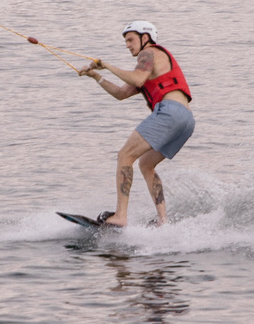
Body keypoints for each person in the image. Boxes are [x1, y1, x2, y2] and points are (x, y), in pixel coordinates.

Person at [82, 21, 193, 228]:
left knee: (125, 155)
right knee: (146, 164)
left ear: (145, 38)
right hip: (186, 120)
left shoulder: (148, 53)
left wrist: (105, 65)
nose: (127, 45)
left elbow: (138, 79)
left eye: (130, 39)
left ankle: (120, 217)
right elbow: (121, 94)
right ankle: (163, 221)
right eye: (125, 41)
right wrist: (96, 76)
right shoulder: (152, 65)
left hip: (170, 112)